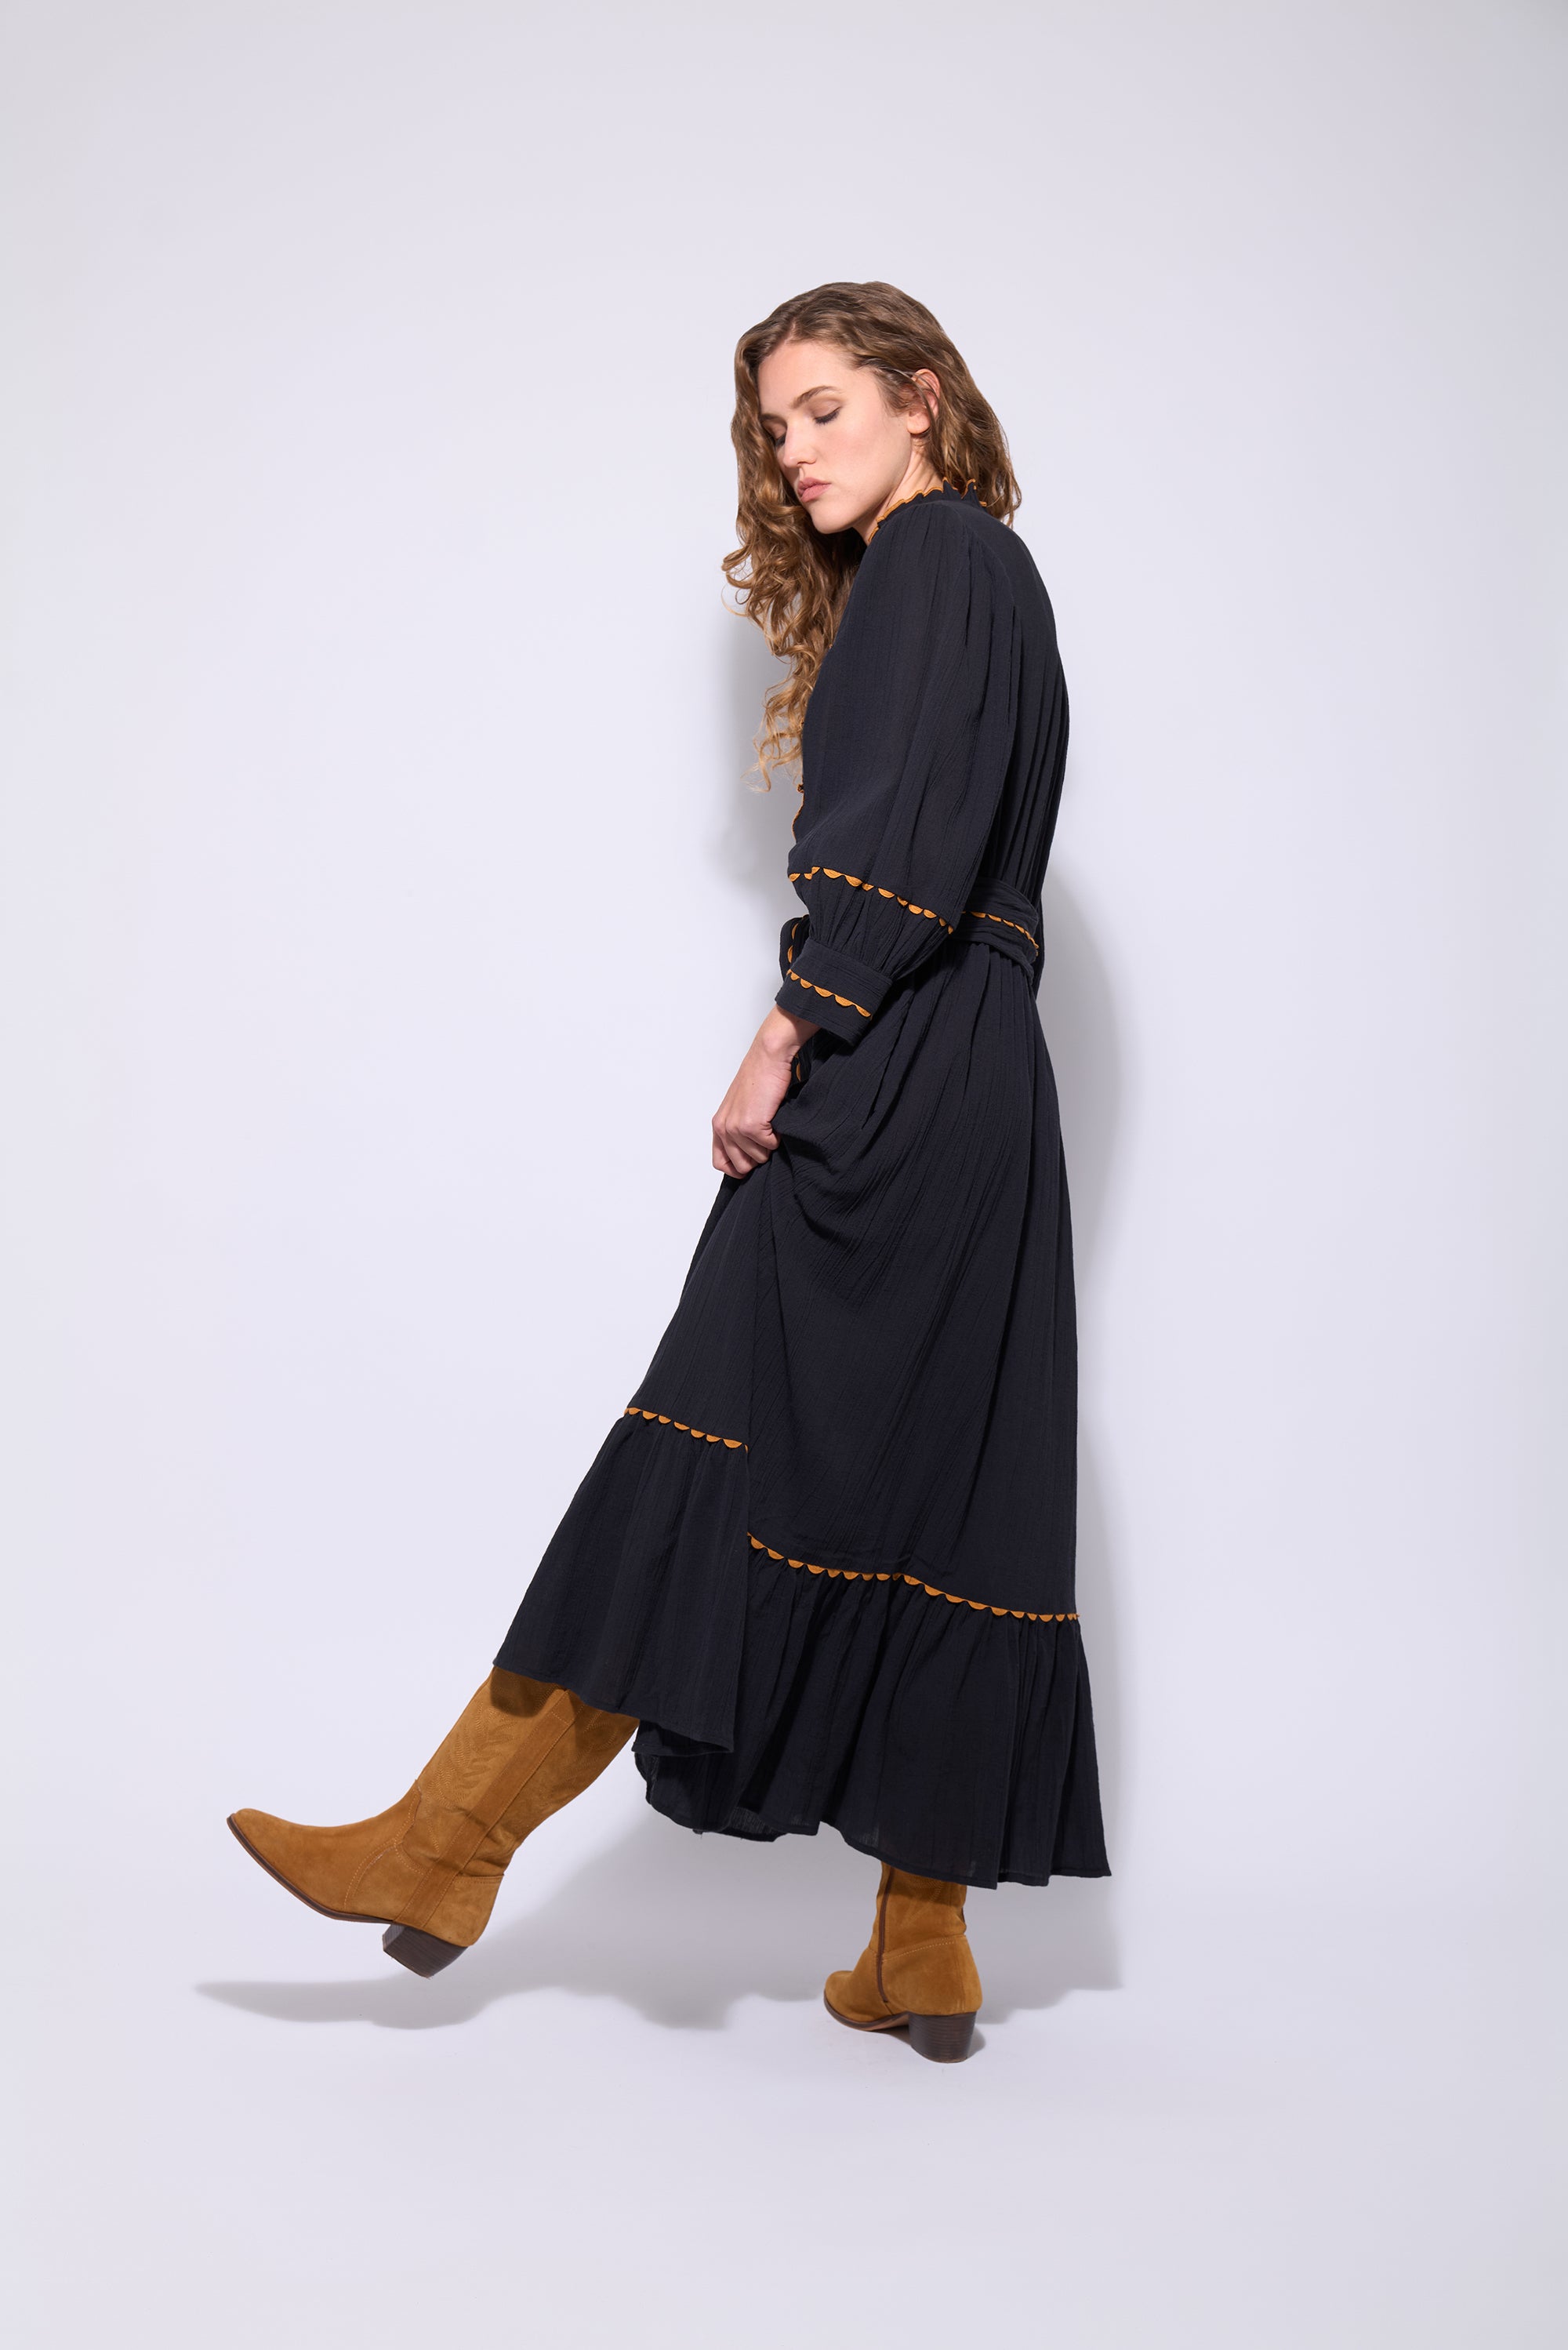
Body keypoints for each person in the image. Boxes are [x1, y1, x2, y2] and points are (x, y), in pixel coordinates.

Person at [229, 280, 1109, 2064]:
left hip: (892, 1063)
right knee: (940, 1496)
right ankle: (922, 1944)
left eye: (824, 409)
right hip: (987, 1094)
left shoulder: (936, 558)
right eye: (773, 430)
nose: (794, 455)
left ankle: (443, 1845)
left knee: (700, 1445)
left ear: (922, 397)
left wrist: (790, 1029)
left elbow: (901, 845)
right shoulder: (1004, 580)